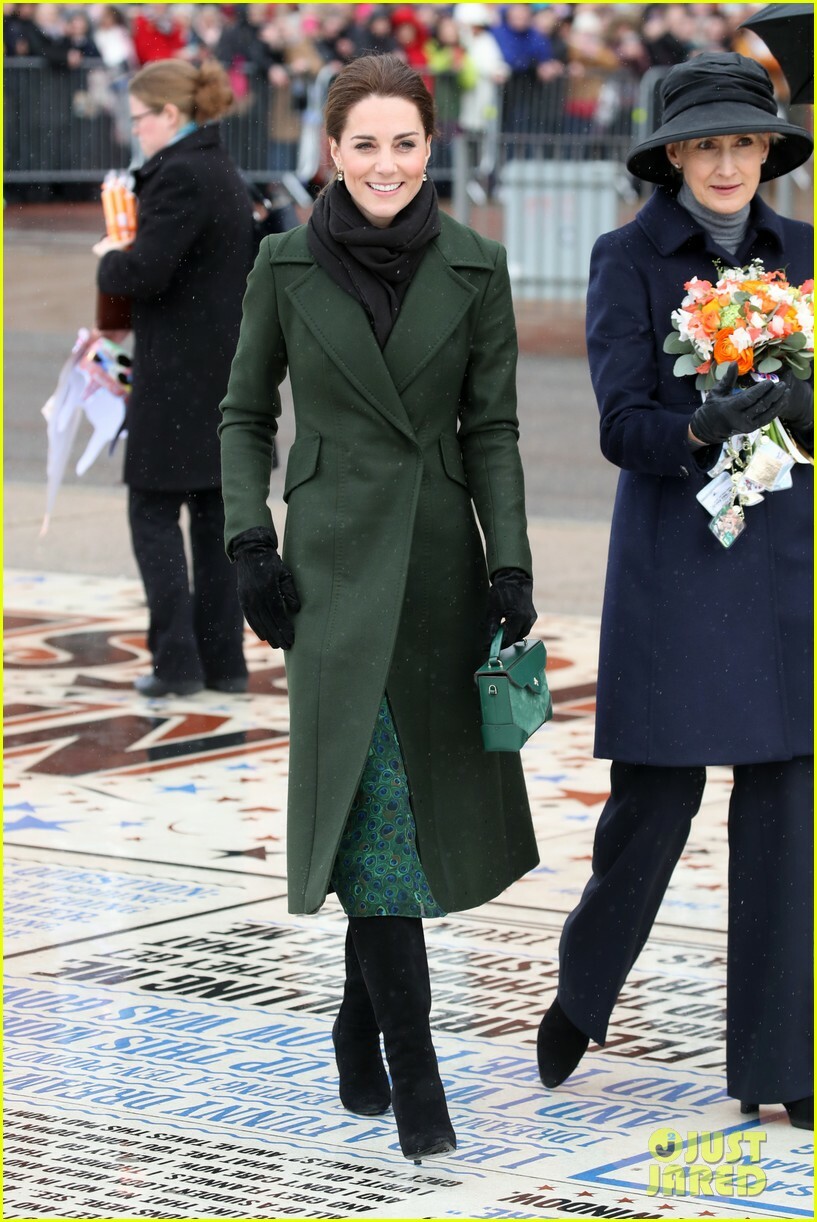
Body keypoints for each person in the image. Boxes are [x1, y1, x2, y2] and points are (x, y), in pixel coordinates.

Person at [218, 52, 539, 1162]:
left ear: (430, 146)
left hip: (441, 571)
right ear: (331, 151)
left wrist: (511, 565)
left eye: (405, 143)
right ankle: (419, 1086)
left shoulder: (477, 266)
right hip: (328, 573)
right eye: (365, 144)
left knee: (398, 821)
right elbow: (243, 413)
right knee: (372, 810)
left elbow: (491, 428)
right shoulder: (280, 262)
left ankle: (359, 1027)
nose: (386, 163)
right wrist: (248, 542)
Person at [536, 53, 814, 1131]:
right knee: (655, 806)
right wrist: (703, 424)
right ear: (672, 157)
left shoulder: (804, 254)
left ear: (766, 151)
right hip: (674, 563)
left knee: (785, 815)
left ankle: (785, 1062)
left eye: (743, 143)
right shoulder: (626, 259)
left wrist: (797, 403)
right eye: (706, 145)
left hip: (784, 567)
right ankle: (584, 986)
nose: (727, 163)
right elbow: (621, 427)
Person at [94, 59, 254, 697]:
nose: (135, 130)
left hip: (180, 378)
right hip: (222, 373)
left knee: (153, 513)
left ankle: (178, 663)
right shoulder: (218, 167)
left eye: (140, 118)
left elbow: (147, 271)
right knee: (214, 522)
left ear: (169, 114)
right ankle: (224, 662)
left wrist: (111, 260)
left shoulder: (181, 174)